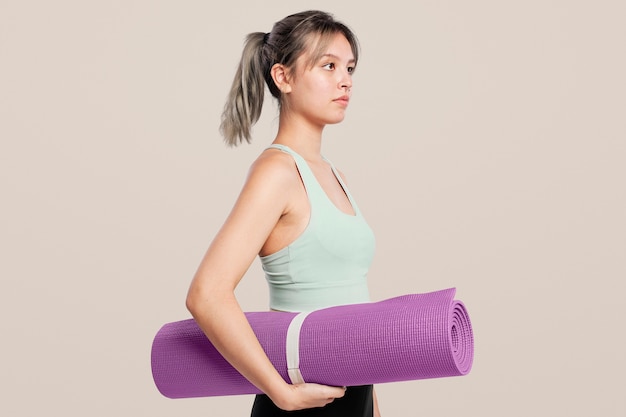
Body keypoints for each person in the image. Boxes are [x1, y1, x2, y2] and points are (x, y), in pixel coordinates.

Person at [185, 10, 381, 417]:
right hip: (301, 399)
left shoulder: (333, 175)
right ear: (283, 77)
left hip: (356, 393)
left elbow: (353, 304)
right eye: (328, 66)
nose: (345, 80)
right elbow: (207, 294)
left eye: (349, 68)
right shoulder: (277, 172)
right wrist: (279, 391)